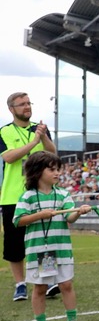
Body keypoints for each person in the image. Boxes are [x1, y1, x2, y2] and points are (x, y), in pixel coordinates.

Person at [14, 152, 91, 321]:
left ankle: (72, 320)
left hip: (61, 249)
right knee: (40, 287)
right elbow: (18, 220)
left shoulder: (63, 194)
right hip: (41, 250)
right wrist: (41, 214)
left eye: (58, 169)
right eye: (52, 169)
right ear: (37, 171)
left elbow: (69, 217)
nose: (57, 173)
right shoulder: (28, 197)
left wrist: (79, 212)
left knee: (66, 285)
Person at [1, 91, 57, 302]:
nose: (27, 107)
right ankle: (20, 284)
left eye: (28, 103)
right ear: (11, 109)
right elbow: (9, 157)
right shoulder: (5, 131)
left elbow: (52, 153)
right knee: (14, 244)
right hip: (13, 196)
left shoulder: (40, 129)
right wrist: (34, 143)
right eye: (22, 104)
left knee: (44, 238)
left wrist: (42, 137)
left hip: (40, 193)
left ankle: (48, 280)